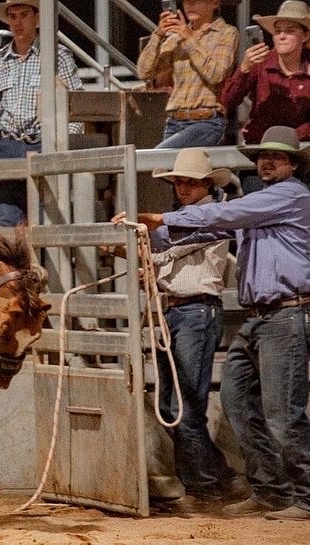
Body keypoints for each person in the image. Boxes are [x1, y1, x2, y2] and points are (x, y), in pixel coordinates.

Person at [118, 126, 310, 521]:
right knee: (238, 402)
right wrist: (148, 228)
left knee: (280, 413)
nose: (267, 162)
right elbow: (214, 225)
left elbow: (224, 215)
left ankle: (305, 495)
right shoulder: (261, 205)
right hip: (261, 317)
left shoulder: (291, 196)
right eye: (262, 156)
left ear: (293, 164)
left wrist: (159, 218)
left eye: (277, 156)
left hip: (286, 314)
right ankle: (271, 489)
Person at [111, 148, 246, 512]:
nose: (183, 188)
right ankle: (217, 479)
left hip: (196, 312)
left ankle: (208, 487)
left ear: (206, 184)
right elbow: (159, 250)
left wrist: (142, 238)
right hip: (176, 312)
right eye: (179, 182)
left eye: (190, 182)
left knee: (182, 407)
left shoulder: (211, 218)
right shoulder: (176, 223)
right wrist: (134, 252)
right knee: (173, 407)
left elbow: (172, 243)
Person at [0, 0, 83, 226]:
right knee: (6, 218)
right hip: (9, 145)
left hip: (45, 142)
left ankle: (43, 261)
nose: (18, 22)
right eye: (12, 17)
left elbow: (74, 106)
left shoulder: (58, 56)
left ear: (36, 18)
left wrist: (64, 144)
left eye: (24, 15)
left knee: (46, 218)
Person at [220, 0, 309, 194]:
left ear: (305, 36)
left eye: (290, 30)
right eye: (277, 31)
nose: (282, 36)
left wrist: (291, 138)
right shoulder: (259, 63)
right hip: (261, 158)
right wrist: (244, 69)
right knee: (259, 215)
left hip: (299, 160)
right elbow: (227, 101)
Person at [137, 0, 238, 149]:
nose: (190, 5)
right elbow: (144, 72)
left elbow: (215, 74)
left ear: (214, 3)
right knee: (167, 169)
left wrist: (189, 40)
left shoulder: (227, 33)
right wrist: (158, 35)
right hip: (174, 122)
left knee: (157, 157)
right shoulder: (175, 38)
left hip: (207, 122)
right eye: (186, 1)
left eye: (196, 1)